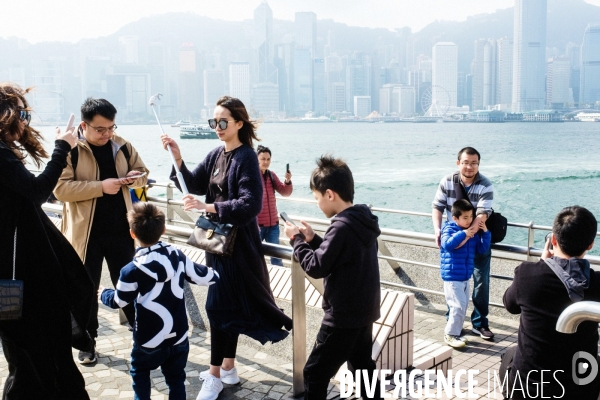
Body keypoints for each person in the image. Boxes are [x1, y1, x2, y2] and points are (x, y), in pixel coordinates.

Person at [160, 96, 292, 400]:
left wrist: (208, 205)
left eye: (223, 122)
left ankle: (216, 375)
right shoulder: (216, 154)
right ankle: (229, 367)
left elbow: (250, 204)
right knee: (227, 308)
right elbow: (191, 183)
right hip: (217, 245)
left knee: (216, 307)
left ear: (239, 124)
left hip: (240, 249)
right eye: (213, 122)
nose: (217, 127)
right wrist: (177, 157)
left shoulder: (246, 157)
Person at [0, 83, 94, 398]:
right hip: (19, 277)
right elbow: (38, 191)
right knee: (32, 355)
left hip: (17, 275)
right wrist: (61, 147)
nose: (26, 121)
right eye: (22, 113)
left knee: (29, 354)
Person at [54, 97, 149, 364]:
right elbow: (60, 189)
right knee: (86, 290)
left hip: (121, 230)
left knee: (129, 283)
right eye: (100, 129)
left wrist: (134, 178)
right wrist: (101, 186)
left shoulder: (121, 144)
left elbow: (143, 171)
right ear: (84, 126)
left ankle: (141, 335)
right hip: (86, 235)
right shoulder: (71, 150)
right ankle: (88, 342)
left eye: (111, 127)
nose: (107, 134)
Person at [283, 155, 382, 400]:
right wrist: (314, 239)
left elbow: (316, 267)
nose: (317, 204)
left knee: (314, 373)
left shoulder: (340, 227)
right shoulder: (362, 219)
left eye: (317, 198)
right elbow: (343, 254)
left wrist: (296, 240)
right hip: (364, 311)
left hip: (342, 318)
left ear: (329, 194)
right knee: (362, 369)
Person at [100, 202, 219, 400]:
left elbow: (118, 301)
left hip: (148, 339)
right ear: (163, 230)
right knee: (176, 380)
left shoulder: (130, 271)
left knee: (140, 374)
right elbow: (206, 276)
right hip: (178, 336)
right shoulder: (177, 257)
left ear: (132, 233)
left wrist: (103, 293)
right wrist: (220, 272)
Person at [500, 206, 600, 399]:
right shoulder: (597, 283)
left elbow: (509, 304)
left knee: (509, 356)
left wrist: (541, 264)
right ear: (590, 244)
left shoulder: (527, 274)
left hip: (530, 389)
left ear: (553, 240)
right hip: (580, 389)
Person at [432, 146, 495, 340]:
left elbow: (482, 215)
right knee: (455, 283)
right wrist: (438, 230)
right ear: (458, 162)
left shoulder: (485, 184)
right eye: (466, 162)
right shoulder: (447, 181)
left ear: (478, 164)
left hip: (474, 238)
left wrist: (468, 236)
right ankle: (452, 321)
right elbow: (437, 207)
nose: (470, 166)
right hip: (454, 237)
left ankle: (479, 323)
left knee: (481, 283)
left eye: (474, 163)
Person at [440, 199, 491, 348]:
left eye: (471, 216)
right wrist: (464, 234)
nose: (469, 220)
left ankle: (455, 333)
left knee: (462, 305)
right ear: (455, 218)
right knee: (457, 305)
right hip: (452, 276)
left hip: (465, 276)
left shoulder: (473, 233)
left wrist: (485, 233)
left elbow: (482, 250)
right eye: (465, 217)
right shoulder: (449, 229)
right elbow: (447, 245)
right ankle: (450, 334)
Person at [256, 145, 293, 266]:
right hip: (257, 226)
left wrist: (287, 181)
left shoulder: (271, 175)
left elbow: (285, 192)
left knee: (277, 258)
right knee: (255, 257)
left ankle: (280, 283)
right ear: (257, 159)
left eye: (268, 159)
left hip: (273, 226)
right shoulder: (252, 176)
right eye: (263, 159)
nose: (266, 162)